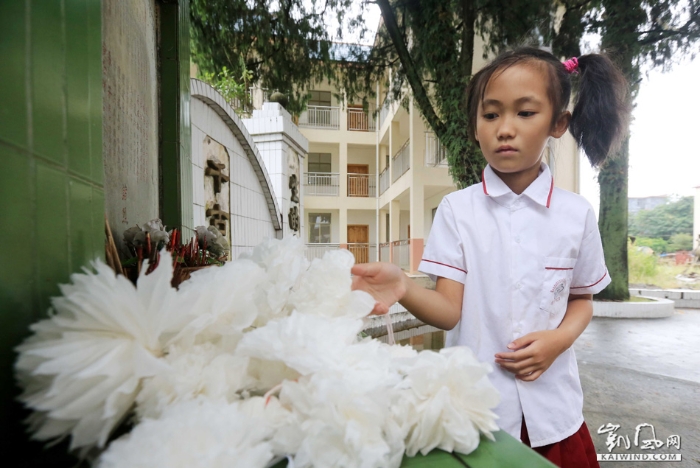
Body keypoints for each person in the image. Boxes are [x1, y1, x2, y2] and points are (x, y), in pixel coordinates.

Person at [351, 47, 629, 468]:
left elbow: (581, 299)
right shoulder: (456, 211)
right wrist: (403, 286)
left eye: (525, 113)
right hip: (477, 417)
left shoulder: (576, 215)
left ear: (558, 124)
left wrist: (558, 340)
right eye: (491, 115)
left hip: (555, 417)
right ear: (475, 128)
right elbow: (448, 311)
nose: (505, 129)